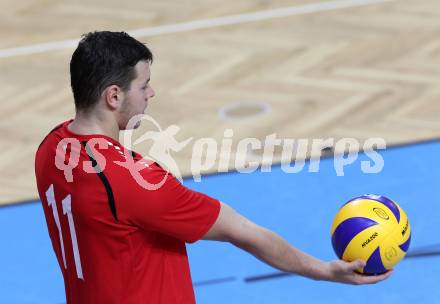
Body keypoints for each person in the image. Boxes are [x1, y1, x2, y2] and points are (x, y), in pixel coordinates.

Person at [35, 31, 391, 304]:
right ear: (113, 96)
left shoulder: (50, 150)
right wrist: (322, 270)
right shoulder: (135, 182)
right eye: (143, 86)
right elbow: (240, 230)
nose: (151, 94)